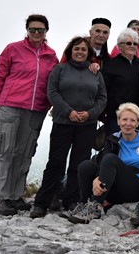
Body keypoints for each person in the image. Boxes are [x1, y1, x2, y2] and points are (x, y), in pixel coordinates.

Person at [0, 14, 59, 215]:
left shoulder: (51, 55)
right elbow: (0, 76)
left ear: (46, 32)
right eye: (32, 29)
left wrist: (52, 104)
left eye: (41, 30)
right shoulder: (13, 49)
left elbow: (52, 83)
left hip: (36, 109)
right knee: (4, 150)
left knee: (24, 152)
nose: (36, 33)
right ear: (26, 30)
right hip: (9, 106)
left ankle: (15, 195)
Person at [30, 36, 107, 218]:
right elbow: (52, 92)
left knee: (78, 164)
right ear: (70, 51)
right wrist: (68, 111)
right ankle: (42, 202)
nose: (80, 52)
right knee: (56, 163)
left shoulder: (96, 73)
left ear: (88, 53)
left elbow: (102, 98)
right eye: (76, 49)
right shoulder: (60, 69)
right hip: (63, 122)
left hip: (87, 124)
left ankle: (72, 200)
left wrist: (90, 114)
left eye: (83, 49)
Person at [68, 103, 139, 224]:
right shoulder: (113, 139)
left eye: (132, 120)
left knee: (111, 159)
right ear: (118, 121)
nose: (128, 123)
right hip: (115, 186)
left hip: (137, 186)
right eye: (124, 119)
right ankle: (84, 204)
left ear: (138, 123)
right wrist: (97, 178)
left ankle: (95, 206)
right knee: (86, 166)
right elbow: (103, 159)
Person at [102, 28, 139, 135]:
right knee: (115, 148)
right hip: (116, 116)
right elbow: (104, 90)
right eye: (128, 43)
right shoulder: (110, 65)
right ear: (120, 46)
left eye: (135, 44)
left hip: (138, 115)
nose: (132, 46)